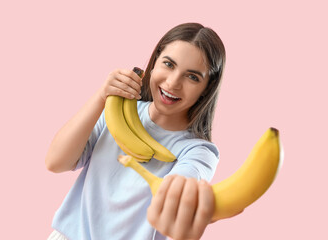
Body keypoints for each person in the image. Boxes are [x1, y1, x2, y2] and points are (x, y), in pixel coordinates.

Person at [46, 22, 227, 240]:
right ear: (154, 62)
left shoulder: (199, 152)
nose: (172, 83)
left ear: (207, 88)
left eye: (192, 77)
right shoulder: (117, 113)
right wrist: (101, 97)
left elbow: (176, 194)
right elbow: (56, 162)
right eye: (168, 64)